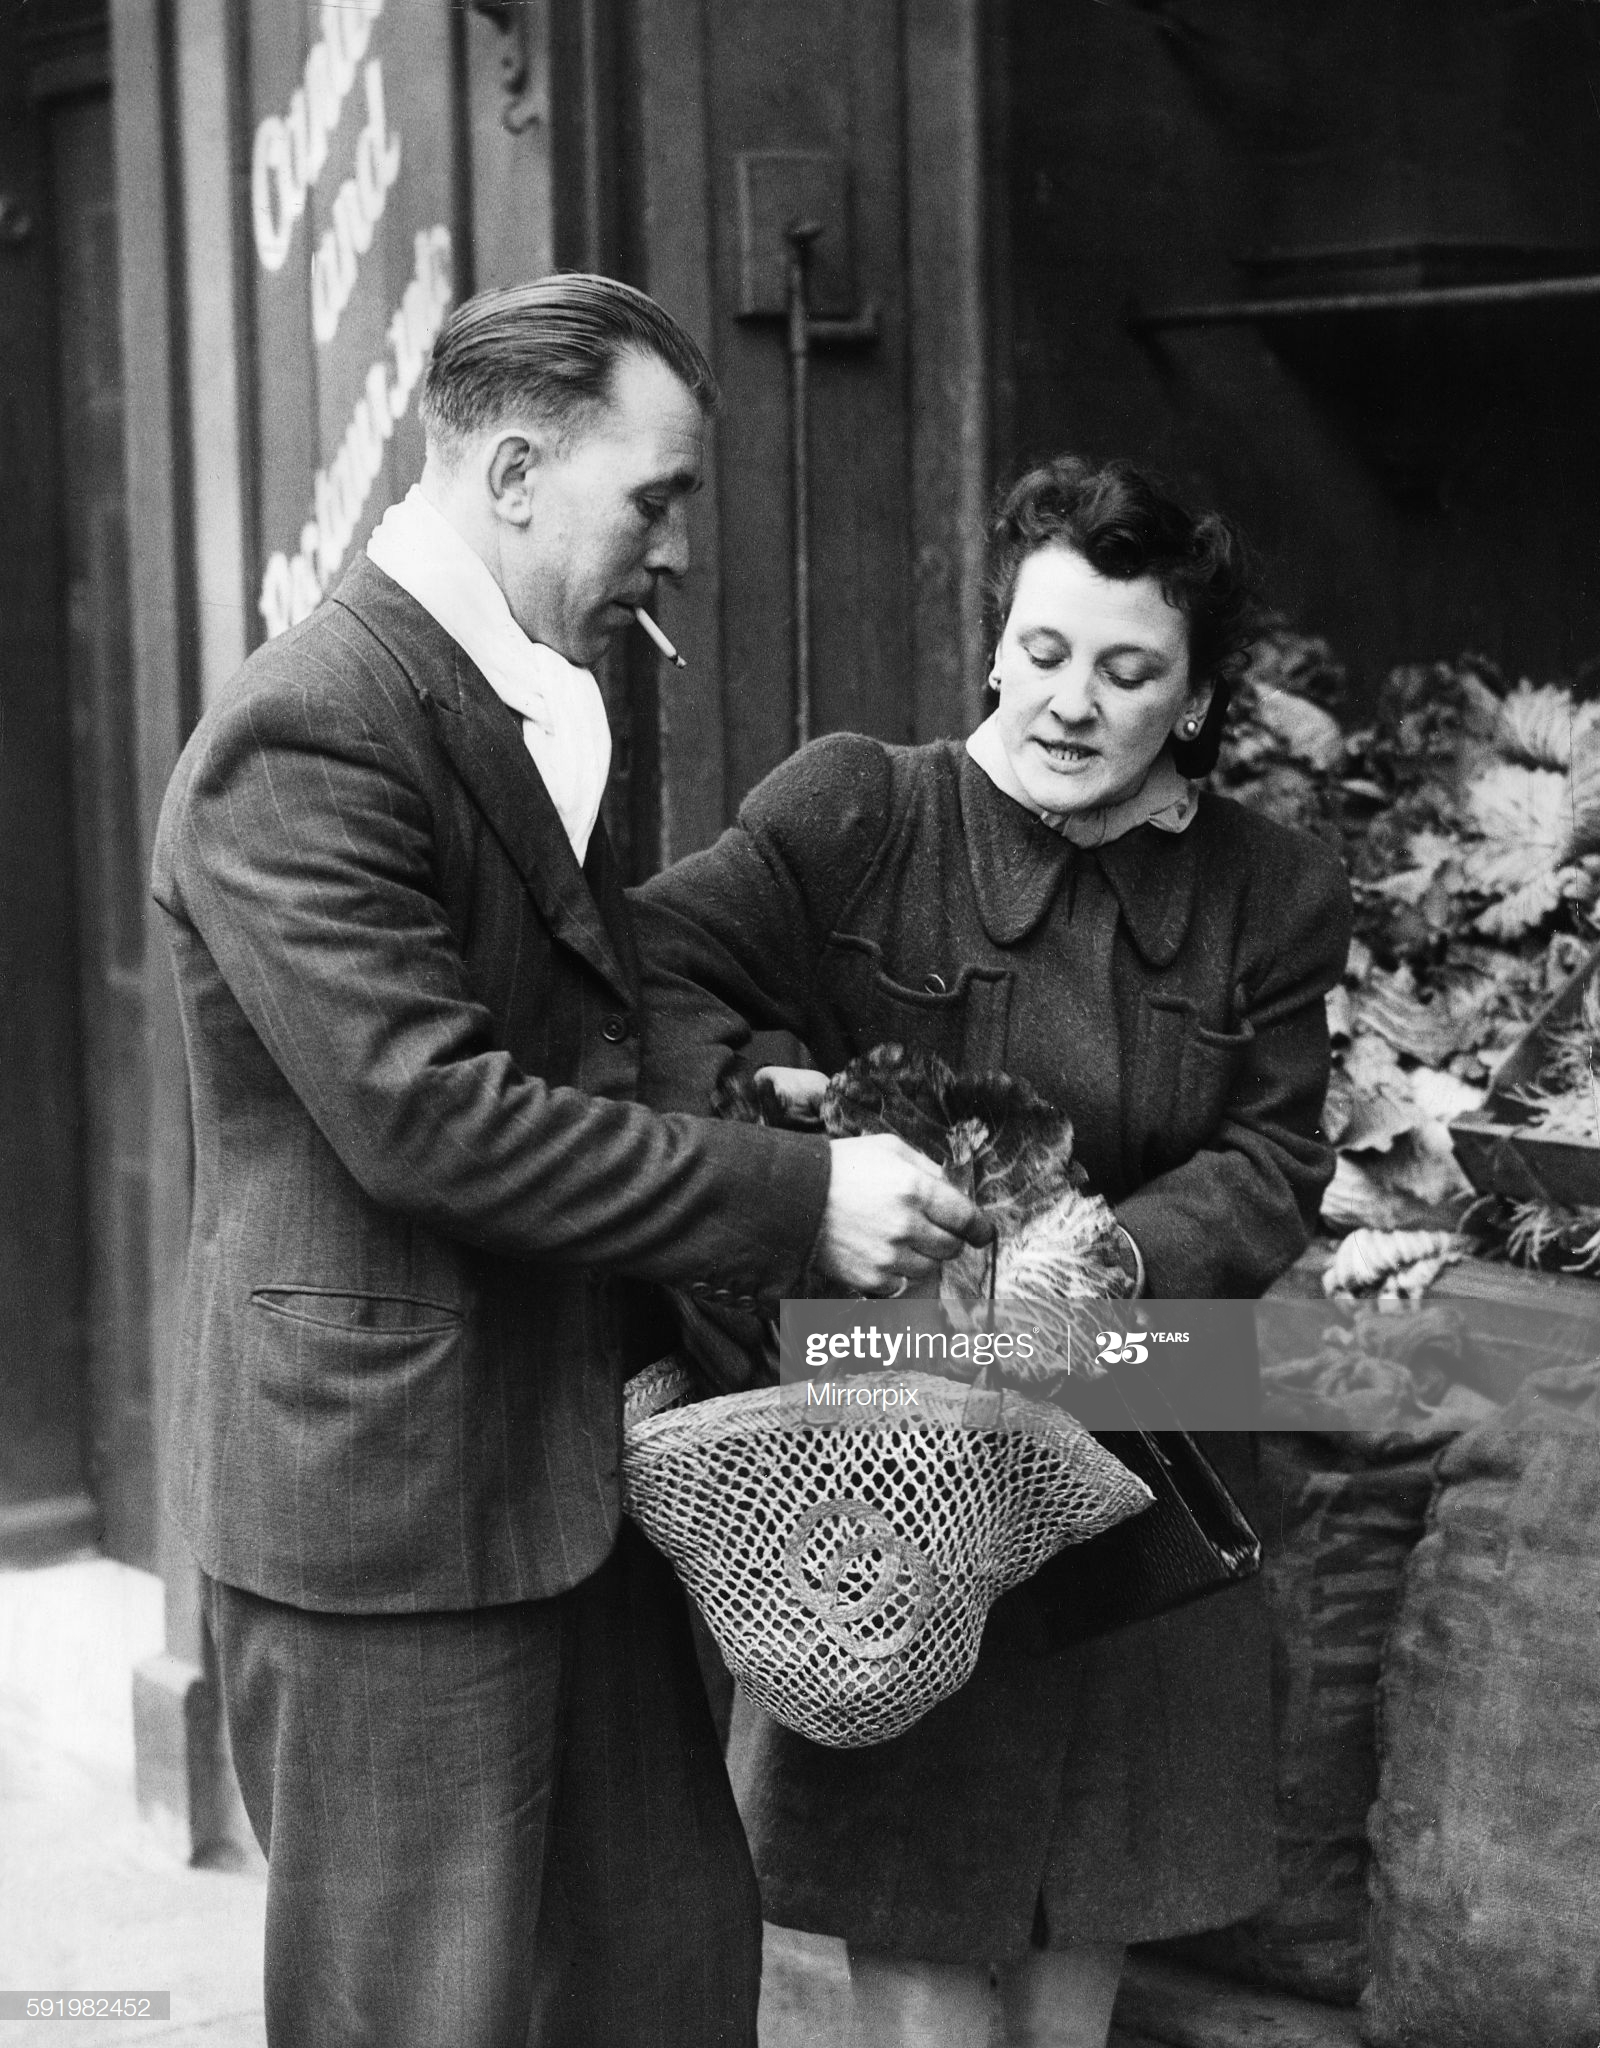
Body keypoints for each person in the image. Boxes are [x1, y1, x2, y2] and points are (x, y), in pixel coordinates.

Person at [150, 275, 989, 2048]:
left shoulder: (518, 692)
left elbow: (576, 1034)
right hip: (387, 1511)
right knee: (417, 2013)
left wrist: (761, 1110)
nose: (675, 550)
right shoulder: (309, 728)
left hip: (571, 1469)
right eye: (656, 498)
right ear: (519, 472)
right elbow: (431, 1117)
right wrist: (800, 1203)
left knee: (665, 1978)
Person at [634, 455, 1354, 2048]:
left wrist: (1104, 1260)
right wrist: (788, 1161)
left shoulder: (1274, 889)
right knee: (916, 1903)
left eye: (1129, 671)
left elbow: (1276, 1160)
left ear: (1196, 696)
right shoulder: (859, 812)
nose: (1073, 702)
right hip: (897, 1465)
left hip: (1149, 1447)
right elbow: (653, 972)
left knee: (1082, 1919)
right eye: (1042, 649)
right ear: (995, 645)